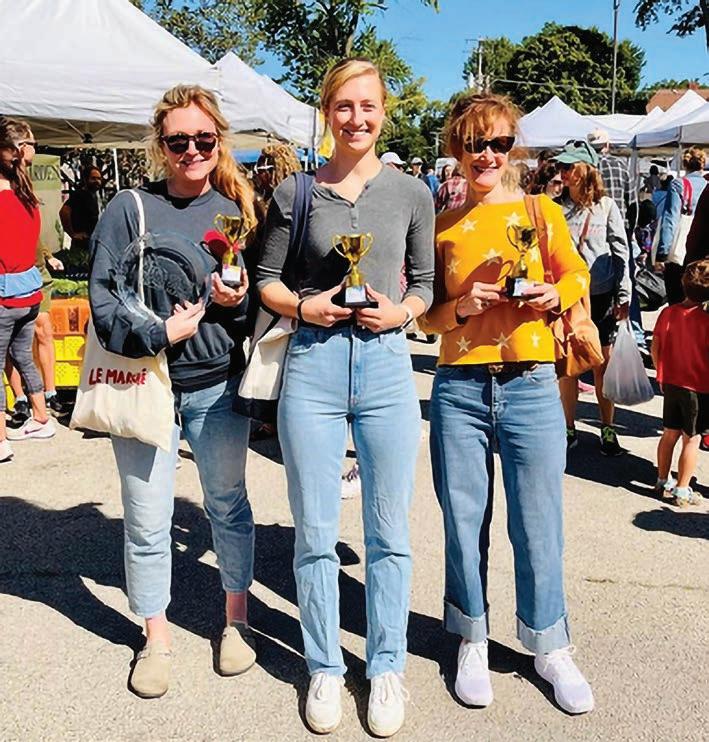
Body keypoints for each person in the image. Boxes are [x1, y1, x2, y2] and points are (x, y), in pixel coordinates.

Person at [257, 57, 434, 737]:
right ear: (327, 112)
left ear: (383, 112)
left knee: (389, 532)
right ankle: (325, 666)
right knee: (314, 531)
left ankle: (385, 665)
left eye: (367, 106)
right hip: (314, 366)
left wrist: (402, 313)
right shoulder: (296, 191)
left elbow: (425, 283)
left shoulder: (411, 192)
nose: (356, 119)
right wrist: (306, 307)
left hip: (387, 367)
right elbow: (266, 278)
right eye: (343, 106)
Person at [419, 92, 594, 716]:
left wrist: (553, 294)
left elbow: (577, 275)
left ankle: (550, 643)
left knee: (539, 523)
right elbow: (425, 317)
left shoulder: (541, 211)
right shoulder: (440, 225)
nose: (488, 155)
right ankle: (471, 636)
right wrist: (459, 308)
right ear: (456, 149)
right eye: (475, 144)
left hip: (531, 383)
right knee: (463, 521)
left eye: (499, 143)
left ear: (513, 147)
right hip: (460, 386)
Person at [89, 85, 257, 698]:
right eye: (178, 140)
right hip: (146, 384)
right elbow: (102, 296)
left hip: (216, 385)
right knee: (145, 518)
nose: (192, 150)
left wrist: (238, 302)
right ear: (160, 145)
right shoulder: (128, 207)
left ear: (219, 142)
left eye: (203, 139)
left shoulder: (237, 212)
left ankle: (236, 621)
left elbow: (254, 313)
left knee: (228, 505)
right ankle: (155, 636)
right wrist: (160, 332)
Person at [555, 141, 631, 456]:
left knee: (603, 366)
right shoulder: (555, 207)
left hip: (602, 296)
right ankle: (568, 427)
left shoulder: (607, 206)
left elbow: (621, 250)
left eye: (568, 166)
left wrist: (624, 293)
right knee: (570, 367)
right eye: (560, 166)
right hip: (570, 298)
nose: (562, 171)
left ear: (586, 169)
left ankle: (607, 427)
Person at [0, 117, 57, 462]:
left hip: (5, 295)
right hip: (30, 293)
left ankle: (0, 441)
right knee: (22, 355)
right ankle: (41, 417)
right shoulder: (27, 196)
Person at [651, 258, 709, 506]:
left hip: (671, 382)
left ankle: (662, 480)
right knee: (691, 439)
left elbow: (655, 347)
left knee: (669, 434)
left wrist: (660, 371)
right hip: (698, 386)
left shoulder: (668, 313)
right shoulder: (705, 320)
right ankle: (683, 489)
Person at [655, 147, 707, 304]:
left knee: (678, 300)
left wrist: (662, 253)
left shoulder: (679, 184)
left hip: (680, 250)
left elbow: (671, 218)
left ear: (685, 164)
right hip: (702, 253)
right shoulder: (706, 184)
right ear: (703, 164)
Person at [59, 164, 103, 253]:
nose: (97, 181)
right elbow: (64, 211)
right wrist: (72, 233)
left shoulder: (94, 195)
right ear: (86, 180)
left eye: (99, 179)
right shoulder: (79, 195)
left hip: (93, 241)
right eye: (93, 178)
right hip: (82, 244)